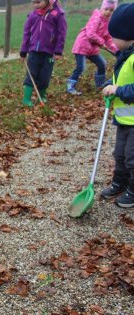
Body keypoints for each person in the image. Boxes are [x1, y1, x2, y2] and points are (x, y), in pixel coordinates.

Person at [99, 3, 134, 208]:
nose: (111, 41)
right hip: (124, 118)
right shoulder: (125, 55)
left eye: (114, 37)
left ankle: (133, 189)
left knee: (132, 158)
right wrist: (110, 84)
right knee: (119, 154)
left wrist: (118, 90)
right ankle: (119, 182)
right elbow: (119, 78)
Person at [20, 0, 67, 107]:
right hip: (33, 52)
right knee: (31, 74)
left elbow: (61, 33)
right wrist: (23, 51)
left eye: (38, 2)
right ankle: (26, 99)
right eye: (34, 3)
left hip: (49, 53)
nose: (35, 5)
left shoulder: (58, 14)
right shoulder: (33, 15)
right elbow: (26, 33)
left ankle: (42, 96)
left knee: (45, 76)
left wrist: (58, 51)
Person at [67, 0, 119, 95]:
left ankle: (100, 85)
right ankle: (70, 85)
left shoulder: (108, 22)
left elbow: (108, 38)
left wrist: (116, 50)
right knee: (81, 67)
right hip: (82, 46)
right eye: (106, 9)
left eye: (111, 10)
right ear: (101, 9)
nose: (108, 12)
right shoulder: (97, 18)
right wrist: (101, 42)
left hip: (92, 49)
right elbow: (90, 34)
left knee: (102, 64)